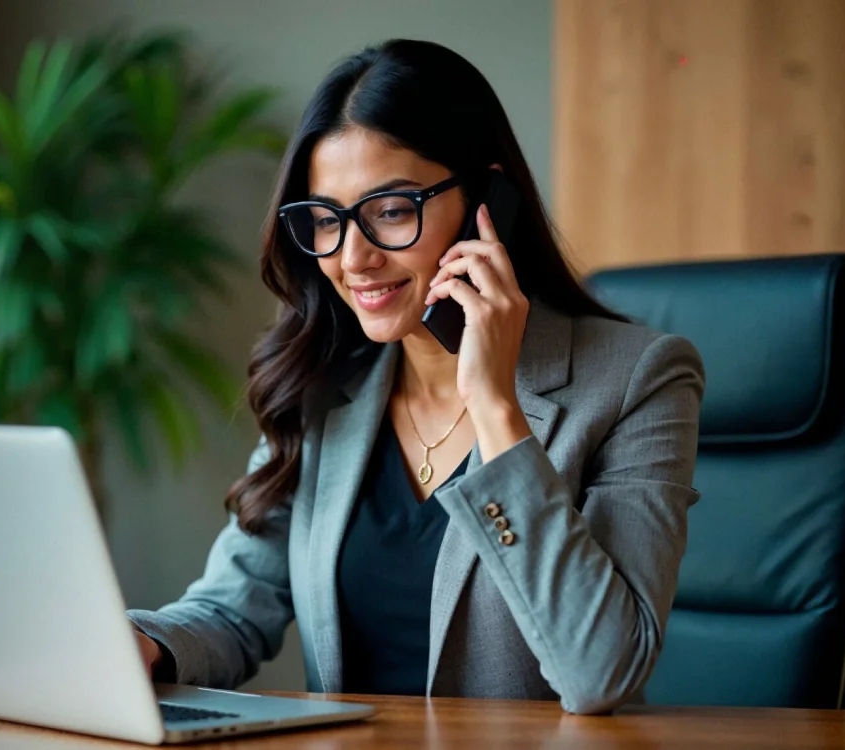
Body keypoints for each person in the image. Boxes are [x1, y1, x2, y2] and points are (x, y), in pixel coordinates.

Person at [126, 39, 703, 715]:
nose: (353, 258)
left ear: (488, 199)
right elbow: (232, 610)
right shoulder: (322, 386)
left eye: (392, 210)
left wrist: (495, 407)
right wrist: (141, 644)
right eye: (326, 220)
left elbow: (601, 672)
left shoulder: (637, 380)